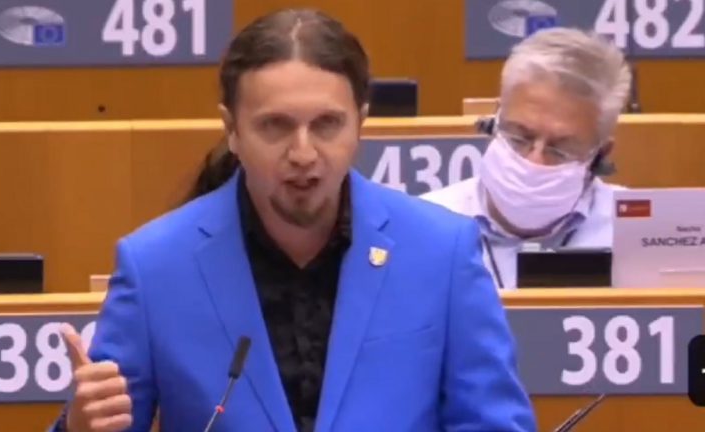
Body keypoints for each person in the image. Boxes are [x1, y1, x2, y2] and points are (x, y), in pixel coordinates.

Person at [51, 8, 535, 432]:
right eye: (275, 126)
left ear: (361, 124)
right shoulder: (155, 266)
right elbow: (108, 421)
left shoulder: (442, 251)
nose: (303, 153)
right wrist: (80, 427)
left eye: (326, 125)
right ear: (232, 131)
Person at [422, 28, 631, 290]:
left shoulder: (638, 233)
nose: (534, 161)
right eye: (520, 137)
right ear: (495, 120)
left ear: (600, 154)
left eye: (560, 150)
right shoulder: (421, 227)